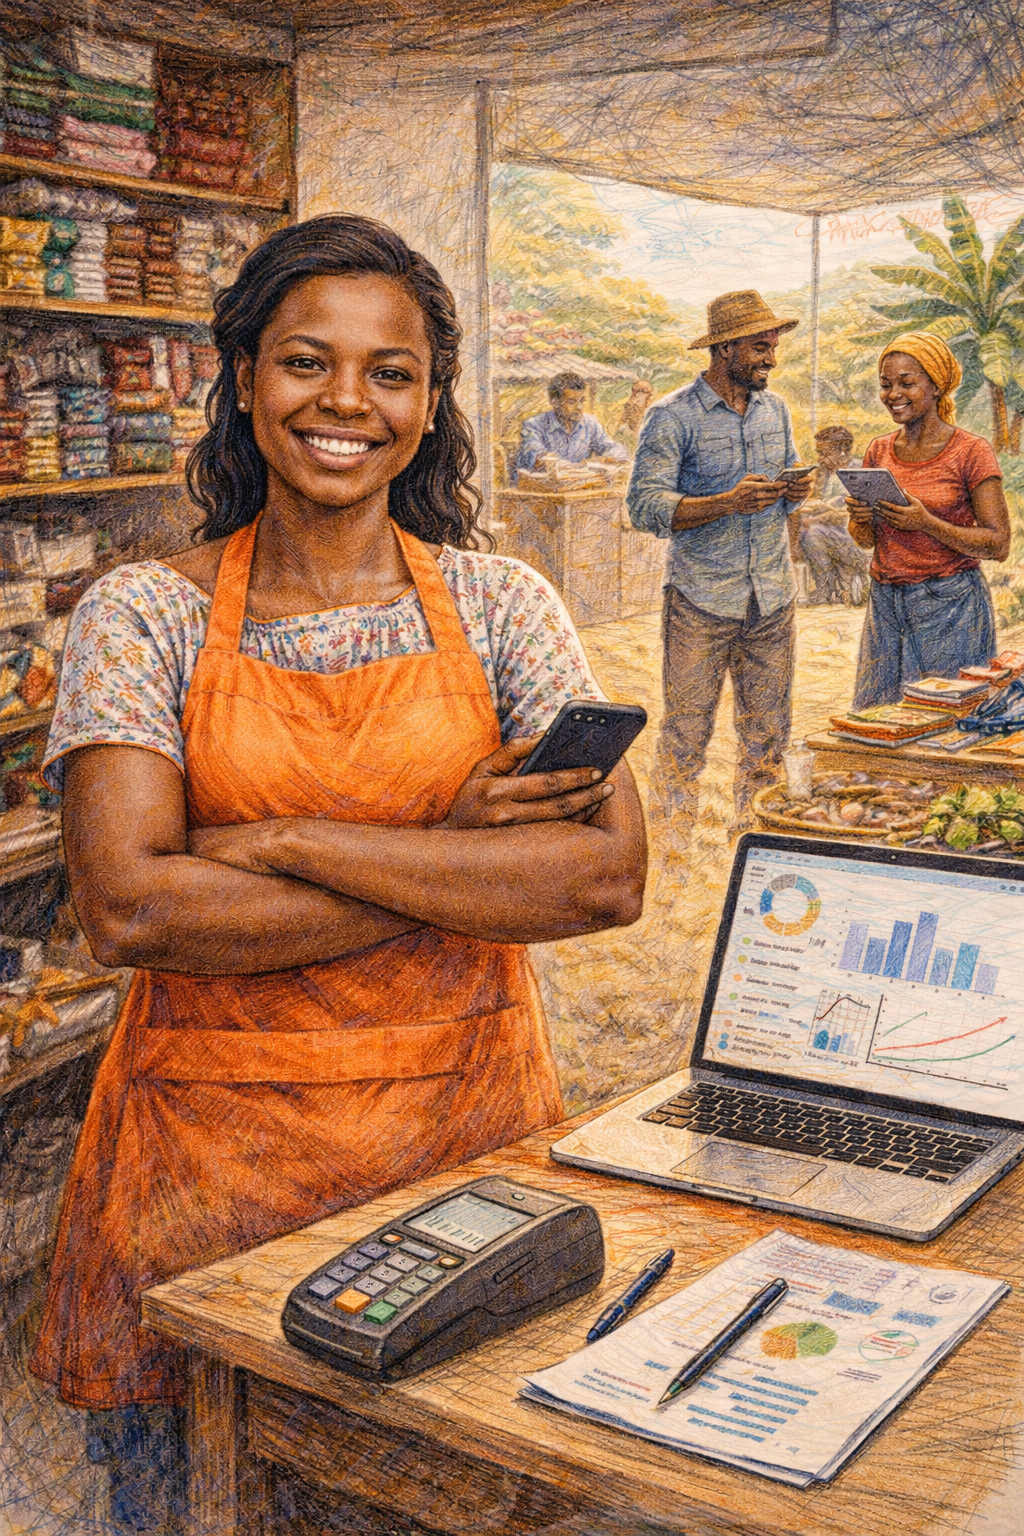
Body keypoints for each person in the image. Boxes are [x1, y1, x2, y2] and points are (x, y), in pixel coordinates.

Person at [30, 216, 645, 1526]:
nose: (346, 402)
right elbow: (131, 904)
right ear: (245, 375)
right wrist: (456, 854)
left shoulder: (503, 605)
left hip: (464, 1166)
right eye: (309, 361)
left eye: (391, 370)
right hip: (204, 1182)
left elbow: (600, 878)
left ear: (430, 403)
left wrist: (280, 844)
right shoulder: (145, 612)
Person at [627, 289, 813, 833]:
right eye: (760, 347)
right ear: (725, 349)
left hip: (771, 599)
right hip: (701, 601)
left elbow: (791, 471)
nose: (771, 359)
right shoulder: (670, 417)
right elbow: (645, 506)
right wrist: (726, 503)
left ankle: (752, 834)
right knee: (686, 730)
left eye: (773, 347)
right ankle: (672, 846)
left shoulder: (775, 411)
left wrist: (796, 489)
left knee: (769, 731)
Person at [847, 333, 1010, 708]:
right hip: (886, 601)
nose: (893, 394)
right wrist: (860, 519)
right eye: (886, 385)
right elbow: (865, 540)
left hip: (951, 603)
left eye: (907, 383)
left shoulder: (971, 451)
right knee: (876, 717)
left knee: (947, 720)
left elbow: (999, 544)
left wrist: (926, 522)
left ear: (936, 386)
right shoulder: (879, 449)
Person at [795, 424, 871, 604]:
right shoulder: (825, 474)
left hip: (855, 539)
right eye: (819, 453)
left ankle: (824, 589)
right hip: (835, 536)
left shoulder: (857, 472)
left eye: (825, 454)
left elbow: (846, 514)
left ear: (843, 452)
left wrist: (815, 518)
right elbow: (820, 504)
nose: (820, 459)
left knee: (812, 533)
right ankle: (818, 587)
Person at [514, 370, 628, 481]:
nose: (579, 407)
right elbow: (538, 458)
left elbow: (617, 449)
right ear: (555, 402)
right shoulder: (534, 424)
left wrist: (606, 458)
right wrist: (580, 466)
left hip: (574, 487)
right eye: (571, 402)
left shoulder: (590, 423)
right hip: (538, 491)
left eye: (582, 401)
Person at [617, 378, 654, 454]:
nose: (636, 394)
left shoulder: (651, 410)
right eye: (635, 391)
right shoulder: (630, 405)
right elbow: (623, 423)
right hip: (629, 441)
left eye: (641, 391)